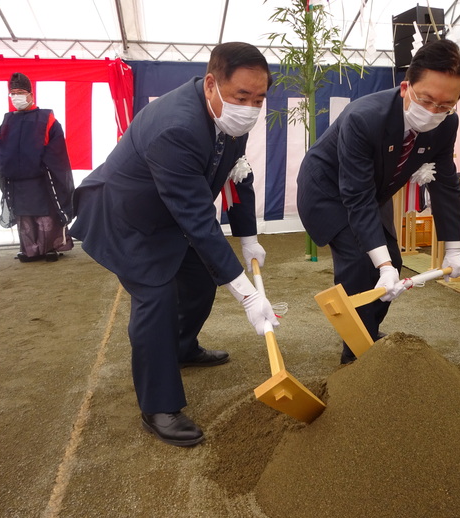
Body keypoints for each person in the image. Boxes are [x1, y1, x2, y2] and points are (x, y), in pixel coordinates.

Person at [70, 42, 279, 447]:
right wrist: (249, 296)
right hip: (127, 218)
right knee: (157, 298)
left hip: (172, 212)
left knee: (201, 277)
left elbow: (237, 178)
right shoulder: (176, 126)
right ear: (210, 85)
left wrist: (249, 238)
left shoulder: (232, 119)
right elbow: (199, 219)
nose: (251, 107)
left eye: (259, 98)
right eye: (242, 97)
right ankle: (158, 407)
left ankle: (183, 348)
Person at [297, 39, 460, 365]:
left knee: (391, 258)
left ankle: (366, 329)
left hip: (372, 190)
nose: (433, 111)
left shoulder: (446, 124)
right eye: (426, 100)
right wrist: (381, 266)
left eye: (445, 105)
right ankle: (356, 355)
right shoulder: (365, 118)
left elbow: (444, 182)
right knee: (360, 262)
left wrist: (453, 247)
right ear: (406, 86)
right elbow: (355, 195)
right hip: (328, 190)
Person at [0, 72, 75, 262]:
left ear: (31, 94)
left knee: (45, 215)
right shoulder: (7, 121)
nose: (16, 97)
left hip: (42, 180)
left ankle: (51, 248)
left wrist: (43, 166)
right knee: (25, 216)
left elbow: (57, 151)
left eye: (20, 92)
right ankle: (30, 250)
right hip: (17, 181)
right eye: (13, 93)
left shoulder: (47, 119)